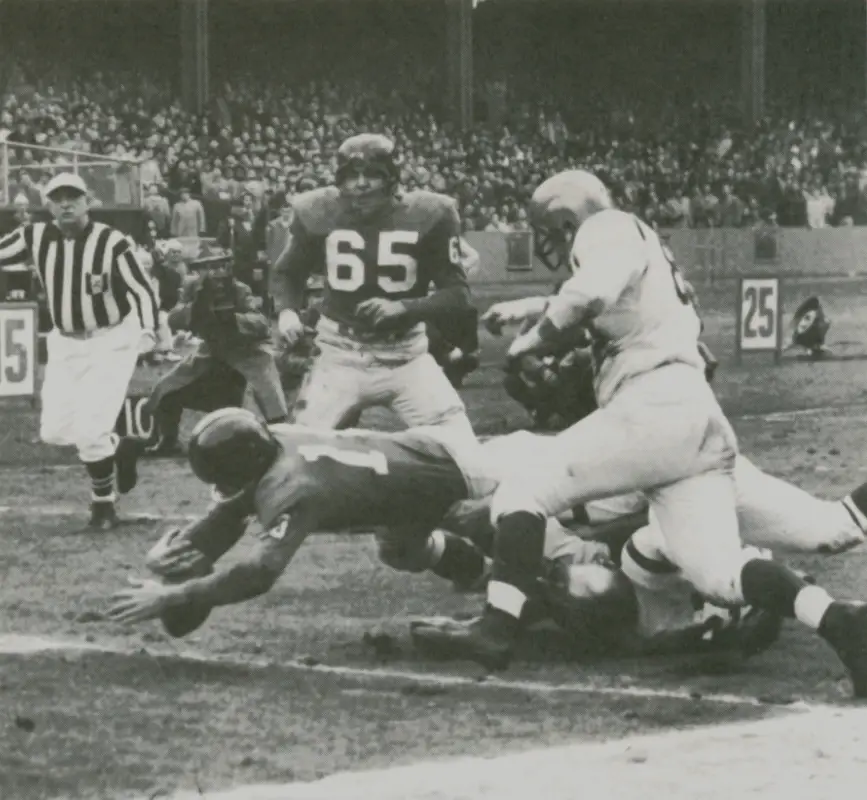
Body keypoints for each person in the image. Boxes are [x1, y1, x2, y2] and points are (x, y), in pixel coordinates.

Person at [421, 169, 867, 697]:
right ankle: (843, 623)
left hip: (653, 407)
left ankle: (496, 628)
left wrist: (531, 342)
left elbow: (587, 298)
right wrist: (532, 307)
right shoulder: (636, 241)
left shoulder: (605, 227)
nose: (552, 245)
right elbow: (618, 305)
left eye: (552, 231)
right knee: (722, 575)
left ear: (568, 219)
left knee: (523, 490)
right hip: (690, 418)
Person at [106, 407, 494, 635]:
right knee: (401, 550)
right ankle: (478, 571)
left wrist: (175, 595)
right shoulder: (271, 439)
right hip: (411, 469)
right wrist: (171, 557)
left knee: (505, 531)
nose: (225, 491)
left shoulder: (293, 487)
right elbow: (225, 520)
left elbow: (258, 574)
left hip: (458, 475)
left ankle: (524, 598)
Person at [271, 133, 476, 439]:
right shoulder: (318, 210)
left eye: (372, 175)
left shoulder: (431, 213)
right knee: (297, 449)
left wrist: (406, 307)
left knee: (461, 450)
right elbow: (288, 272)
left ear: (392, 178)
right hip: (339, 353)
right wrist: (287, 311)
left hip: (405, 356)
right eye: (352, 176)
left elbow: (458, 296)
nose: (362, 184)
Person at [0, 172, 158, 530]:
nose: (66, 204)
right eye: (58, 198)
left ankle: (103, 507)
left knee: (90, 430)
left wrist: (148, 331)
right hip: (66, 341)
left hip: (111, 338)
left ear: (88, 201)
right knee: (55, 431)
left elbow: (142, 289)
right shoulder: (34, 234)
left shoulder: (112, 241)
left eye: (73, 197)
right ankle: (121, 449)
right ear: (48, 205)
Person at [143, 245, 289, 456]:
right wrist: (196, 307)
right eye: (209, 268)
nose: (216, 272)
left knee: (268, 402)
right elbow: (174, 319)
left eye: (221, 266)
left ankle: (278, 439)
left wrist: (233, 319)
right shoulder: (192, 288)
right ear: (198, 271)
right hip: (210, 355)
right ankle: (168, 441)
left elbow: (262, 324)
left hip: (247, 355)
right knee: (167, 388)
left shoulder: (239, 289)